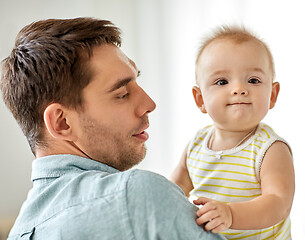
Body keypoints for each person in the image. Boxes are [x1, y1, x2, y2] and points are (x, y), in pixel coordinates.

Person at [0, 17, 226, 240]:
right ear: (62, 122)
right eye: (122, 94)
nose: (149, 104)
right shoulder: (137, 196)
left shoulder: (19, 232)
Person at [170, 25, 295, 240]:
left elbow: (278, 202)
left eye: (253, 80)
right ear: (200, 99)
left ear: (272, 95)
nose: (238, 89)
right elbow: (175, 188)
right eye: (222, 82)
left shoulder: (270, 149)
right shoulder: (197, 144)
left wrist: (231, 213)